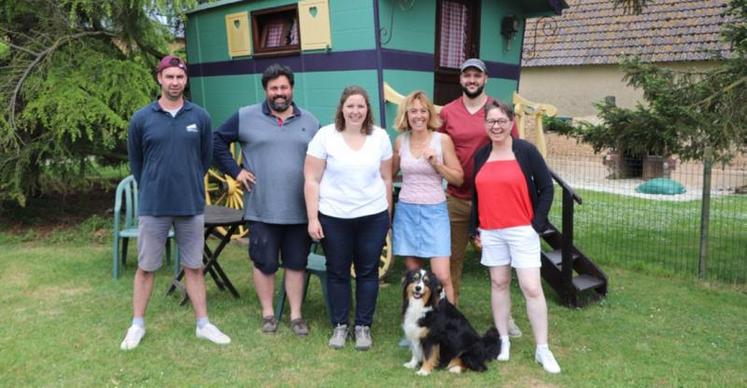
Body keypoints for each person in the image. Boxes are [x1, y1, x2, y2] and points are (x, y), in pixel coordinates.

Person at [120, 55, 230, 350]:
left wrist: (188, 182)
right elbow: (136, 161)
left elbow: (204, 158)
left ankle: (203, 324)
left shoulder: (200, 117)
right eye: (169, 77)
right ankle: (137, 325)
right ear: (159, 78)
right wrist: (153, 185)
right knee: (146, 267)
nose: (174, 82)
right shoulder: (142, 118)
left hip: (190, 205)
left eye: (179, 77)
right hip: (154, 206)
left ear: (186, 80)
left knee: (194, 266)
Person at [213, 64, 320, 336]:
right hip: (261, 208)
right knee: (265, 263)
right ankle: (268, 314)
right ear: (266, 90)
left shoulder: (310, 121)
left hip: (299, 210)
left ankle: (296, 316)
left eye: (284, 87)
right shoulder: (245, 116)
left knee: (297, 263)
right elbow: (216, 141)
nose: (279, 93)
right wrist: (236, 171)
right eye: (274, 88)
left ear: (292, 89)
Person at [471, 100, 560, 374]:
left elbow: (546, 188)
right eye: (491, 122)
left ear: (511, 123)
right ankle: (503, 340)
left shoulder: (526, 151)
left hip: (522, 229)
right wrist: (476, 227)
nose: (496, 126)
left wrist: (537, 222)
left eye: (501, 121)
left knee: (531, 287)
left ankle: (542, 348)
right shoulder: (481, 155)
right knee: (499, 283)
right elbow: (477, 195)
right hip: (491, 230)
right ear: (485, 124)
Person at [438, 57, 522, 337]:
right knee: (452, 258)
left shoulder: (498, 111)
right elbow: (437, 146)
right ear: (460, 80)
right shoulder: (448, 113)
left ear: (485, 78)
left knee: (499, 262)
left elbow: (516, 150)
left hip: (493, 201)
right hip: (456, 198)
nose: (471, 80)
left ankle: (505, 318)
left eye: (477, 75)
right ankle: (451, 313)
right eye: (467, 76)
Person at [304, 85, 392, 351]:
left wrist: (387, 216)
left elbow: (387, 178)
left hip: (372, 217)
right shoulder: (325, 136)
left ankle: (363, 327)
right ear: (342, 108)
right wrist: (312, 218)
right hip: (334, 217)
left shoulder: (380, 137)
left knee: (368, 272)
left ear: (368, 110)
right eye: (350, 106)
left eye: (361, 106)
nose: (356, 111)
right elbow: (311, 179)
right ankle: (340, 326)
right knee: (338, 272)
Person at [392, 91, 463, 303]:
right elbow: (390, 174)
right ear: (406, 115)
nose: (418, 116)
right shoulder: (400, 141)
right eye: (413, 111)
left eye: (423, 110)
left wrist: (437, 164)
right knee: (415, 277)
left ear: (429, 114)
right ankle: (419, 322)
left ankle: (450, 325)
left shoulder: (442, 140)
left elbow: (458, 178)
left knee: (441, 276)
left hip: (435, 212)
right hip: (407, 211)